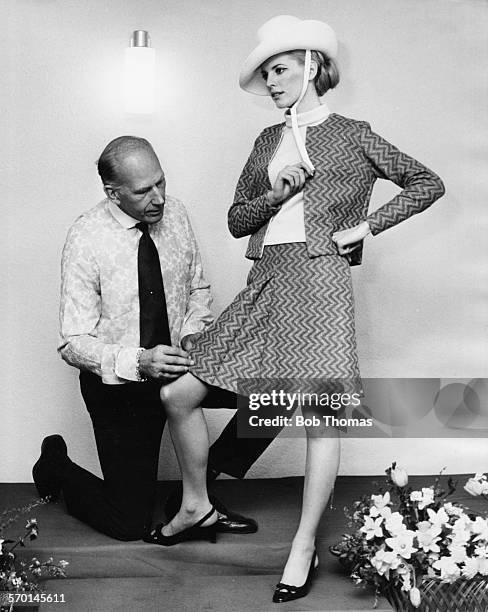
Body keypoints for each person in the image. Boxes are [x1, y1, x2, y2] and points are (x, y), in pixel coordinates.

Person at [144, 14, 446, 603]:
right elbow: (237, 222)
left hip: (322, 281)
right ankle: (197, 504)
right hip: (270, 278)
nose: (272, 82)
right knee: (180, 392)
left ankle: (303, 544)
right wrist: (275, 194)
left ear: (311, 66)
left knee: (321, 414)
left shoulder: (354, 132)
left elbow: (425, 182)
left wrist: (365, 226)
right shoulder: (265, 142)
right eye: (266, 73)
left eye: (280, 70)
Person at [32, 136, 258, 540]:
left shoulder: (177, 214)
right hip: (122, 388)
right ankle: (55, 466)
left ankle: (196, 495)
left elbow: (197, 288)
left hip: (181, 370)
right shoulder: (86, 237)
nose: (158, 198)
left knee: (282, 394)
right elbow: (73, 341)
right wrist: (140, 361)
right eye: (142, 191)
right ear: (112, 193)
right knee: (128, 524)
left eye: (161, 183)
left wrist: (191, 333)